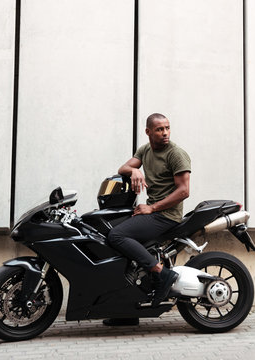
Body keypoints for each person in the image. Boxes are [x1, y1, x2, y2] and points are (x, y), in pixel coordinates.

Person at [103, 113, 191, 326]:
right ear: (148, 132)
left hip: (166, 215)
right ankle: (127, 310)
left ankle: (162, 273)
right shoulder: (145, 150)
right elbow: (122, 169)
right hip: (154, 212)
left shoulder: (176, 154)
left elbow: (184, 191)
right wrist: (134, 170)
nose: (165, 133)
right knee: (111, 237)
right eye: (160, 129)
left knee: (117, 236)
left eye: (167, 128)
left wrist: (151, 208)